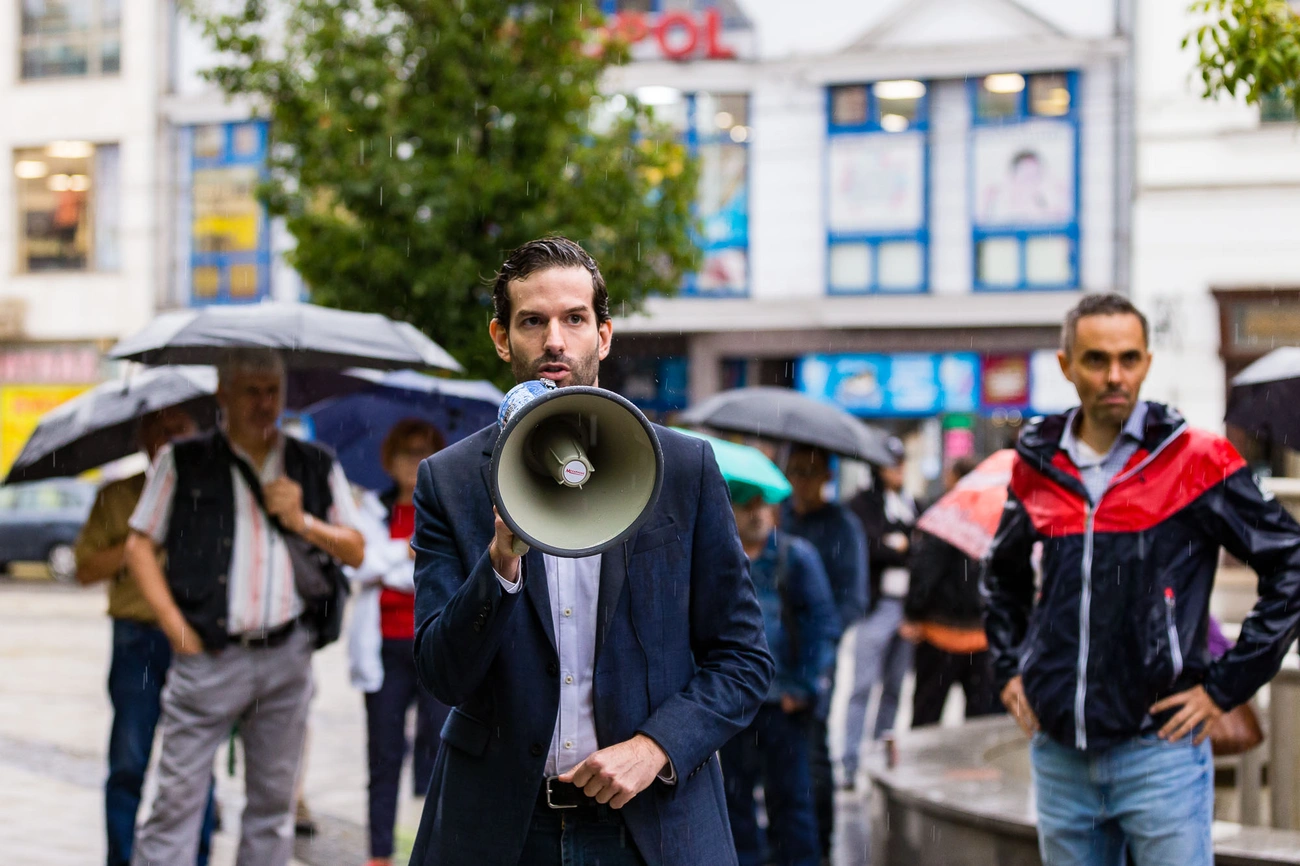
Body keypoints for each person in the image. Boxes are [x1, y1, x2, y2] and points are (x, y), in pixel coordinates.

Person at [409, 237, 774, 866]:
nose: (555, 340)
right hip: (505, 831)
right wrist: (500, 563)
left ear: (603, 336)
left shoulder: (682, 469)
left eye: (574, 319)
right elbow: (443, 674)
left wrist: (657, 747)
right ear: (502, 337)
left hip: (653, 826)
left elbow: (742, 659)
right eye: (533, 321)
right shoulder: (449, 480)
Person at [984, 293, 1300, 866]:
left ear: (1147, 362)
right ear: (1066, 366)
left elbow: (1291, 564)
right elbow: (1002, 570)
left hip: (1160, 751)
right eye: (1097, 360)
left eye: (1129, 359)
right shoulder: (1037, 462)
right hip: (1058, 754)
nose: (1114, 376)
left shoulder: (1196, 459)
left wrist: (1226, 687)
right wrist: (1009, 665)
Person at [125, 348, 365, 866]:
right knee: (176, 804)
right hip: (208, 654)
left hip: (287, 653)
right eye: (251, 391)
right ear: (223, 395)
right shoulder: (182, 460)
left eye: (271, 391)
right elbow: (138, 544)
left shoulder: (314, 461)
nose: (263, 403)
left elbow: (355, 548)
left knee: (274, 808)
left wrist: (303, 521)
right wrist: (175, 627)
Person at [74, 407, 218, 866]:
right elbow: (84, 569)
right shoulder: (117, 495)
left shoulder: (212, 491)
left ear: (196, 433)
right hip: (135, 640)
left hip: (194, 641)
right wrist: (141, 538)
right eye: (159, 431)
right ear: (143, 439)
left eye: (179, 429)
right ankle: (122, 858)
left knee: (196, 766)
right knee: (129, 763)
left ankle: (196, 857)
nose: (170, 439)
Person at [347, 418, 450, 866]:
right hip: (383, 649)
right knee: (384, 757)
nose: (416, 461)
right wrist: (407, 552)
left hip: (433, 648)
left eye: (425, 451)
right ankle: (379, 855)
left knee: (440, 753)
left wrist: (392, 560)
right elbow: (360, 567)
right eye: (407, 452)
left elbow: (438, 575)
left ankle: (433, 849)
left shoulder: (445, 506)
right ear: (389, 460)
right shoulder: (371, 507)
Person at [723, 481, 839, 866]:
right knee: (733, 796)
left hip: (783, 701)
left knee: (792, 796)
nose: (757, 513)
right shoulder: (720, 556)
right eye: (747, 505)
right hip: (733, 703)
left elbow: (820, 624)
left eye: (763, 505)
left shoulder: (795, 556)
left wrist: (803, 686)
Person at [778, 445, 862, 846]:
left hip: (815, 650)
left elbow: (852, 599)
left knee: (812, 748)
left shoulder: (843, 525)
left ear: (827, 476)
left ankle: (821, 840)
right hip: (775, 649)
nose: (802, 481)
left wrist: (821, 639)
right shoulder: (782, 518)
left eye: (810, 472)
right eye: (795, 471)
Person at [898, 457, 1001, 728]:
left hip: (939, 635)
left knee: (926, 719)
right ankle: (974, 772)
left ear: (955, 478)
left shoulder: (946, 513)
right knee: (980, 726)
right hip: (981, 637)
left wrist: (913, 613)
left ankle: (920, 771)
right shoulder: (995, 514)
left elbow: (925, 570)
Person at [842, 439, 918, 784]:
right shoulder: (862, 504)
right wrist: (898, 544)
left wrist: (899, 543)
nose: (897, 471)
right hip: (877, 606)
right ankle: (850, 761)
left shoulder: (911, 503)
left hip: (908, 606)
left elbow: (919, 548)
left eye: (900, 463)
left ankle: (877, 756)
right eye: (891, 464)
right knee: (862, 686)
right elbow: (869, 548)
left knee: (895, 688)